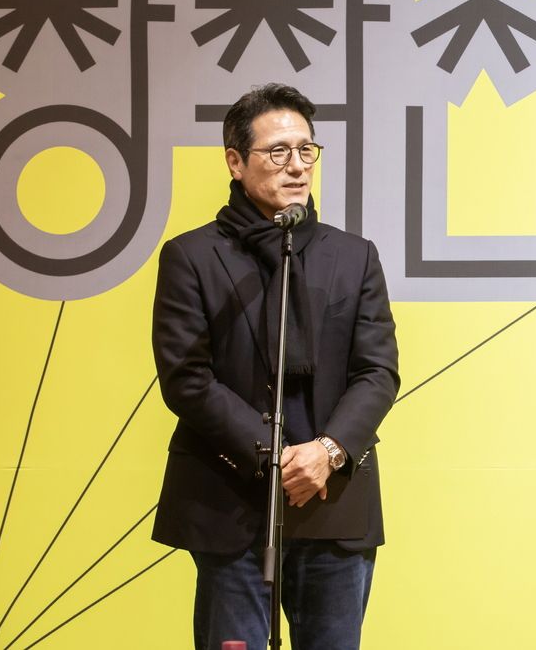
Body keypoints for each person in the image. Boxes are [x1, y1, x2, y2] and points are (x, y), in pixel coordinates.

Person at [152, 83, 400, 650]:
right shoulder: (192, 256)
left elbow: (378, 371)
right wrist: (276, 456)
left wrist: (327, 452)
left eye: (306, 150)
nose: (297, 166)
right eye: (278, 151)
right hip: (231, 496)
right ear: (235, 162)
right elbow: (187, 377)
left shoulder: (354, 255)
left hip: (333, 496)